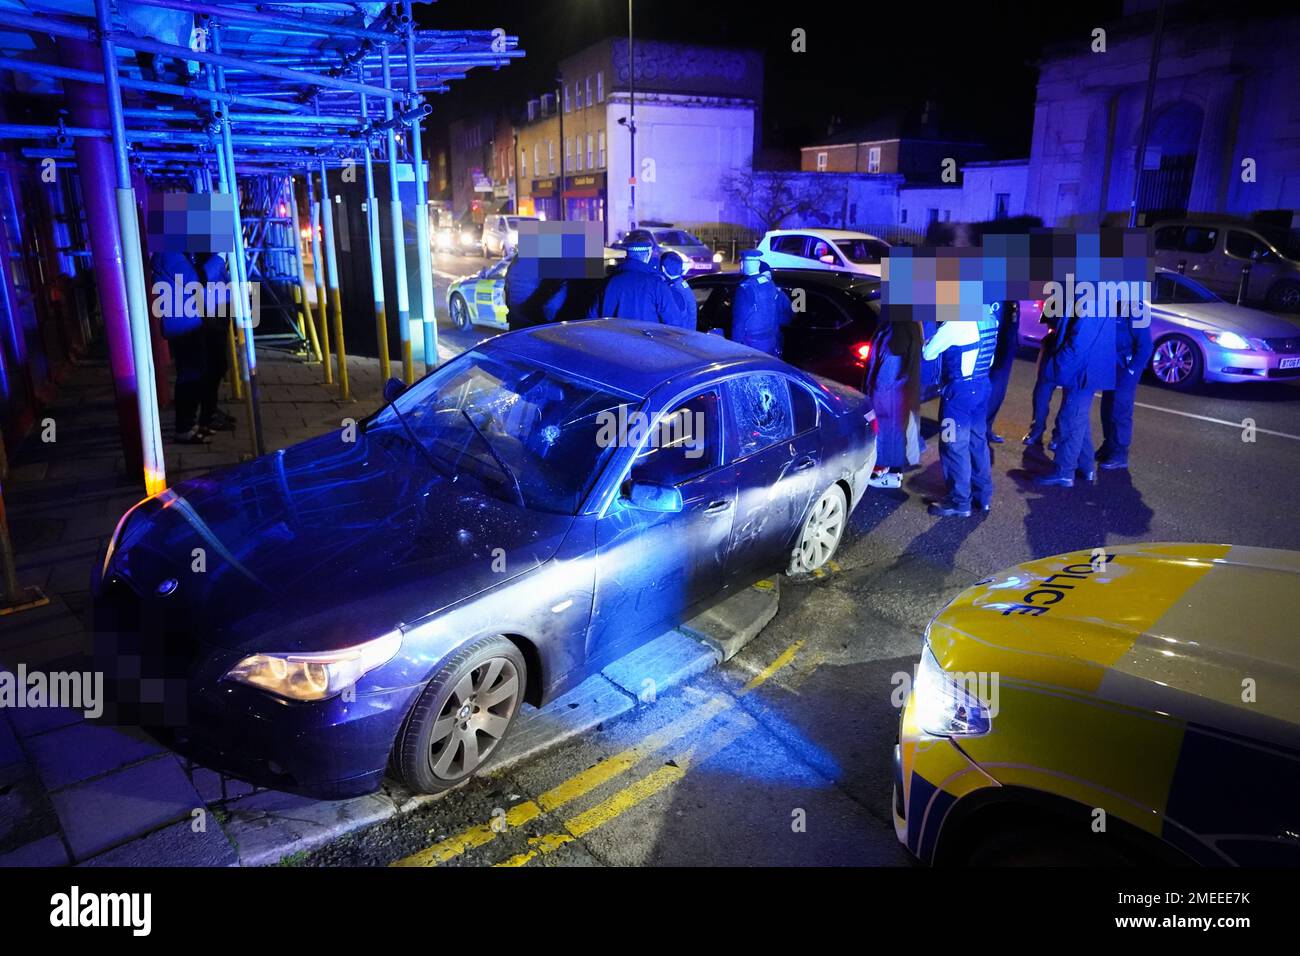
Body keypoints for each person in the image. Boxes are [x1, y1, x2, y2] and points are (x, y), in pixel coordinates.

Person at [922, 307, 999, 517]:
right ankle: (983, 496)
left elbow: (928, 353)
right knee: (977, 441)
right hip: (982, 386)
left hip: (959, 393)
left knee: (952, 444)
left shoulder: (956, 323)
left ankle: (959, 501)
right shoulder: (988, 317)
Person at [1034, 296, 1116, 487]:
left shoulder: (1091, 299)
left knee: (1070, 419)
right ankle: (1086, 466)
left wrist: (1059, 365)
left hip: (1083, 369)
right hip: (1088, 367)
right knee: (1079, 419)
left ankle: (1064, 471)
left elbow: (1079, 341)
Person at [864, 315, 923, 488]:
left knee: (889, 432)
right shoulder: (910, 322)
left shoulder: (896, 330)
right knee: (897, 431)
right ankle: (892, 471)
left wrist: (875, 394)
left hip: (890, 394)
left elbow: (887, 369)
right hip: (903, 390)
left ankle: (888, 474)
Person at [1097, 303, 1154, 470]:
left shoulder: (1136, 310)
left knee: (1120, 408)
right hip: (1110, 365)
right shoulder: (1107, 305)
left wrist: (1131, 371)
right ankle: (1109, 445)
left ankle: (1120, 453)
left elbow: (1146, 346)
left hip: (1126, 367)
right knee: (1107, 407)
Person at [589, 235, 676, 323]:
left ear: (627, 255)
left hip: (612, 336)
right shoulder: (657, 285)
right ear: (648, 254)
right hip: (644, 337)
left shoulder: (607, 283)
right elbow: (673, 322)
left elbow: (592, 320)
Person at [731, 249, 793, 355]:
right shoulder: (770, 284)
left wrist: (734, 349)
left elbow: (739, 323)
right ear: (758, 263)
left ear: (744, 263)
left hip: (750, 345)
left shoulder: (745, 288)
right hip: (770, 342)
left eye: (742, 262)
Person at [1022, 324, 1063, 450]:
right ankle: (1040, 431)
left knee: (1069, 396)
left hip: (1069, 345)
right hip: (1059, 344)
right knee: (1042, 392)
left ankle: (1053, 434)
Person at [984, 300, 1019, 443]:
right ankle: (977, 429)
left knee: (998, 389)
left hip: (1005, 342)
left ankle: (986, 427)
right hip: (988, 338)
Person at [660, 254, 697, 330]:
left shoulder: (674, 290)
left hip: (678, 338)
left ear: (663, 268)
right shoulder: (681, 285)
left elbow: (674, 322)